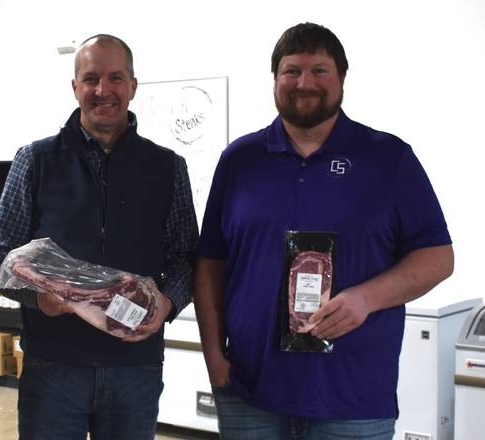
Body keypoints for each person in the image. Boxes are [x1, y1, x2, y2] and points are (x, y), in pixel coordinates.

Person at [194, 22, 454, 439]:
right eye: (291, 71)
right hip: (250, 391)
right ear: (275, 79)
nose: (304, 82)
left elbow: (438, 258)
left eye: (319, 70)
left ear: (342, 79)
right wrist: (213, 357)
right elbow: (211, 264)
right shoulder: (239, 160)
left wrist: (366, 298)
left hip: (352, 398)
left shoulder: (389, 159)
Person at [0, 34, 198, 439]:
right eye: (91, 78)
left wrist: (167, 304)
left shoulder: (167, 166)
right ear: (75, 87)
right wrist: (37, 298)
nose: (103, 91)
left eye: (115, 78)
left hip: (135, 366)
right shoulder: (36, 160)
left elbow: (186, 254)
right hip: (54, 365)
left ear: (133, 86)